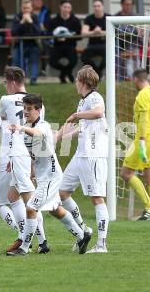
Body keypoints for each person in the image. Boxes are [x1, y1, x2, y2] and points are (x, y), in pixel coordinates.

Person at [6, 94, 92, 256]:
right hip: (43, 175)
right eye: (24, 108)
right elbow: (34, 154)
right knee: (55, 209)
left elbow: (38, 134)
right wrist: (32, 172)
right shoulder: (26, 129)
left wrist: (22, 128)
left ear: (38, 110)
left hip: (51, 176)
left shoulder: (43, 126)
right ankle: (81, 236)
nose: (26, 112)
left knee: (31, 208)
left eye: (30, 109)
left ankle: (23, 248)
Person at [58, 65, 109, 253]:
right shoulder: (83, 101)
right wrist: (64, 135)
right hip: (80, 154)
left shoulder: (95, 97)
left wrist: (76, 116)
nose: (75, 83)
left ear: (83, 82)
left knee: (97, 198)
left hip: (93, 155)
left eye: (77, 80)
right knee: (61, 193)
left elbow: (98, 113)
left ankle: (102, 244)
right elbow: (86, 125)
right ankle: (84, 230)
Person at [0, 66, 44, 253]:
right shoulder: (38, 103)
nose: (5, 86)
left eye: (5, 82)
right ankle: (30, 238)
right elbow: (38, 130)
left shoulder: (6, 99)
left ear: (12, 82)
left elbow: (3, 118)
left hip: (17, 152)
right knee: (13, 195)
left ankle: (36, 241)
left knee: (29, 198)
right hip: (30, 153)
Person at [120, 69, 150, 221]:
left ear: (136, 79)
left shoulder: (143, 95)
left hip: (145, 139)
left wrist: (142, 140)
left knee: (126, 173)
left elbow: (144, 118)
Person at [47, 0, 81, 84]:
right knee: (52, 62)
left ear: (71, 8)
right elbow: (48, 34)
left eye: (68, 7)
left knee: (74, 60)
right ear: (60, 7)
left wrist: (68, 37)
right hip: (57, 46)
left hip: (70, 46)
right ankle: (67, 72)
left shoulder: (76, 21)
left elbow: (79, 36)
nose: (66, 9)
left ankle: (63, 75)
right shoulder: (53, 21)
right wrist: (56, 38)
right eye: (64, 7)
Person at [11, 0, 41, 86]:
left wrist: (31, 22)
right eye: (24, 8)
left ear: (31, 8)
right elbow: (14, 32)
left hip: (32, 43)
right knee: (16, 57)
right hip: (19, 43)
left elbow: (38, 32)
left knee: (34, 57)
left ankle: (33, 79)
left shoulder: (35, 17)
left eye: (28, 8)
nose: (26, 10)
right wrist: (22, 22)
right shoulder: (17, 17)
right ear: (21, 8)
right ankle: (18, 79)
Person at [81, 0, 109, 78]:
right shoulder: (89, 18)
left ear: (103, 7)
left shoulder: (108, 17)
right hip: (92, 45)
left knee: (108, 56)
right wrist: (94, 32)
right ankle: (97, 71)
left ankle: (98, 72)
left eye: (98, 6)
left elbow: (114, 32)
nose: (96, 8)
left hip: (105, 45)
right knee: (84, 57)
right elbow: (83, 33)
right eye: (94, 6)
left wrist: (101, 32)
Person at [115, 0, 137, 80]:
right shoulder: (115, 17)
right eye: (127, 4)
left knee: (134, 53)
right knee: (117, 55)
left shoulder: (135, 17)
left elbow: (138, 33)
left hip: (133, 44)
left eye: (130, 4)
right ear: (122, 5)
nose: (129, 6)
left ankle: (132, 76)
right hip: (118, 45)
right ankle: (119, 78)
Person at [30, 0, 51, 76]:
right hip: (30, 36)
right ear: (31, 2)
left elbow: (47, 26)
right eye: (36, 0)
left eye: (40, 0)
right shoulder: (28, 11)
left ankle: (43, 68)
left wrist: (42, 28)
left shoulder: (46, 12)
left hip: (43, 36)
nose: (39, 2)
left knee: (44, 44)